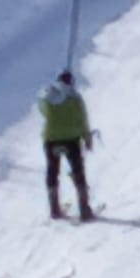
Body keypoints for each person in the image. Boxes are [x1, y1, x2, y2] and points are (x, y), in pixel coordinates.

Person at [39, 70, 94, 221]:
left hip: (51, 140)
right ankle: (84, 210)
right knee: (78, 171)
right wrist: (87, 138)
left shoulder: (48, 97)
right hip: (71, 140)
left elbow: (42, 110)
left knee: (52, 171)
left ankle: (54, 209)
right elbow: (83, 119)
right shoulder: (76, 98)